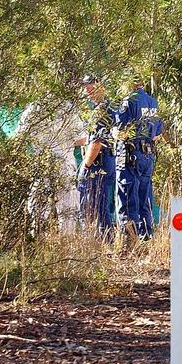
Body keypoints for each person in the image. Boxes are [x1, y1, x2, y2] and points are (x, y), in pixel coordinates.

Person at [15, 99, 87, 233]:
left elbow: (20, 136)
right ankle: (67, 241)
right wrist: (64, 141)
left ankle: (37, 237)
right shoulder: (67, 107)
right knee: (67, 207)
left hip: (41, 162)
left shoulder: (32, 108)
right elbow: (82, 139)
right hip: (64, 162)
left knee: (38, 206)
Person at [115, 75, 162, 242]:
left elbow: (121, 131)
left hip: (130, 154)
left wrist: (114, 135)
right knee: (145, 195)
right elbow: (157, 134)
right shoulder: (152, 102)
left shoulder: (128, 101)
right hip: (147, 154)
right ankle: (146, 235)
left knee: (127, 195)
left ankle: (129, 238)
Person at [77, 75, 117, 241]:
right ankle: (106, 239)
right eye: (85, 87)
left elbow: (97, 141)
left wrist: (85, 166)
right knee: (101, 203)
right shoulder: (108, 107)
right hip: (107, 160)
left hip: (98, 162)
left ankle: (102, 241)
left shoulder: (101, 110)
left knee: (94, 204)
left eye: (90, 86)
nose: (88, 90)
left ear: (100, 86)